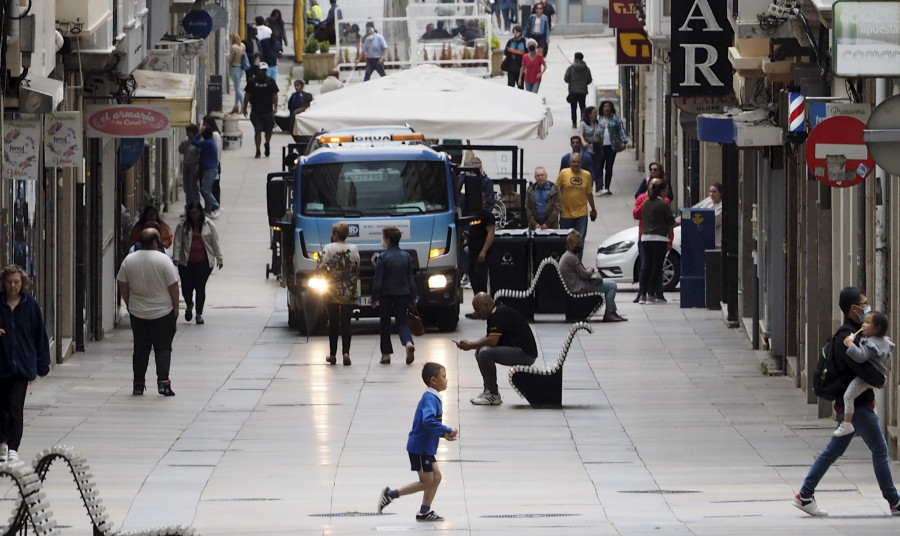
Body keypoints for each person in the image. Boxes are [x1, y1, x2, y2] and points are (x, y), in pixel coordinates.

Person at [793, 287, 900, 517]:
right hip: (857, 406)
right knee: (880, 450)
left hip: (852, 406)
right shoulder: (846, 337)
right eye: (864, 304)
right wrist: (880, 379)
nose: (867, 307)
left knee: (833, 452)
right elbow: (861, 368)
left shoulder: (856, 332)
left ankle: (805, 494)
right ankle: (894, 500)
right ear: (854, 309)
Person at [378, 362, 458, 522]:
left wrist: (443, 434)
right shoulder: (430, 399)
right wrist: (447, 429)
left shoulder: (433, 398)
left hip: (425, 448)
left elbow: (428, 425)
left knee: (437, 478)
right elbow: (428, 421)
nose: (447, 380)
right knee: (427, 482)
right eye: (444, 376)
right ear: (433, 380)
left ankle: (424, 511)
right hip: (420, 449)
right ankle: (391, 494)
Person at [117, 228, 180, 397]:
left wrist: (129, 302)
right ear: (154, 242)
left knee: (140, 349)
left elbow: (122, 282)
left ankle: (138, 384)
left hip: (138, 313)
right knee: (163, 348)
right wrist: (176, 306)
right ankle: (163, 383)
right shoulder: (164, 260)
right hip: (163, 312)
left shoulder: (129, 260)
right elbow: (173, 285)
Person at [0, 265, 50, 464]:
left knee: (15, 408)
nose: (13, 285)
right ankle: (2, 443)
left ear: (23, 284)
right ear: (4, 283)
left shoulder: (31, 305)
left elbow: (40, 335)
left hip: (21, 365)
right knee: (1, 408)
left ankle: (13, 447)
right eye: (10, 282)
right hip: (1, 363)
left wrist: (42, 362)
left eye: (17, 282)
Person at [457, 292, 538, 406]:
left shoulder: (499, 314)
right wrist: (474, 345)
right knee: (480, 351)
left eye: (478, 310)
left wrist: (470, 345)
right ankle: (488, 390)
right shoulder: (496, 310)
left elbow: (492, 341)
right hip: (518, 349)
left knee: (484, 354)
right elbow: (490, 337)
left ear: (486, 305)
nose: (477, 313)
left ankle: (493, 394)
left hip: (525, 354)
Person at [834, 311, 893, 437]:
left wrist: (850, 344)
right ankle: (873, 422)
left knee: (848, 396)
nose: (863, 325)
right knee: (872, 401)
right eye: (864, 322)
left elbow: (861, 356)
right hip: (876, 374)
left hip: (867, 377)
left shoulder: (871, 343)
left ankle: (847, 424)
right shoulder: (882, 341)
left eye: (867, 322)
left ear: (877, 328)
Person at [173, 202, 223, 325]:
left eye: (196, 213)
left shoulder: (209, 225)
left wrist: (219, 258)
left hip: (203, 262)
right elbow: (178, 242)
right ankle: (189, 304)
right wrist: (176, 257)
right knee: (186, 287)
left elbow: (214, 242)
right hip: (186, 262)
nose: (194, 215)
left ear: (200, 212)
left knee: (200, 287)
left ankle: (199, 314)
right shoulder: (182, 226)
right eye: (191, 213)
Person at [559, 230, 626, 322]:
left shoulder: (567, 256)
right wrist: (590, 269)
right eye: (576, 244)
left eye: (580, 243)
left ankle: (613, 312)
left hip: (578, 285)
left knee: (610, 284)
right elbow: (585, 275)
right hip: (581, 287)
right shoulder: (571, 258)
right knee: (612, 286)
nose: (579, 246)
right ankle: (609, 313)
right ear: (570, 244)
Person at [372, 227, 417, 365]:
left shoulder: (382, 257)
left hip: (386, 295)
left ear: (388, 240)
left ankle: (386, 354)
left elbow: (378, 280)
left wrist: (374, 298)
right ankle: (408, 342)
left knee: (385, 323)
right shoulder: (406, 256)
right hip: (403, 293)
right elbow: (410, 279)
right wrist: (414, 296)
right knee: (402, 322)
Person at [317, 222, 359, 366]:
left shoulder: (328, 248)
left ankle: (333, 354)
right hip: (349, 290)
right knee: (346, 322)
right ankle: (346, 352)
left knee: (333, 322)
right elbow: (357, 266)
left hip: (332, 290)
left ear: (335, 234)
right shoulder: (353, 248)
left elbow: (322, 267)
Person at [638, 179, 676, 304]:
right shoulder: (663, 204)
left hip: (645, 237)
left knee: (647, 267)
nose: (667, 192)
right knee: (656, 267)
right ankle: (651, 294)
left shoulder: (646, 202)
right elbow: (671, 221)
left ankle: (642, 294)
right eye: (666, 190)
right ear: (661, 191)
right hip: (659, 238)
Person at [556, 152, 596, 248]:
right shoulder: (564, 173)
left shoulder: (587, 175)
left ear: (581, 163)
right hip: (566, 213)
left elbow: (589, 193)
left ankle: (578, 262)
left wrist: (593, 209)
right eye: (573, 162)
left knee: (580, 240)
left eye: (578, 162)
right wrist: (557, 206)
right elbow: (556, 190)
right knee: (566, 240)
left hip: (581, 213)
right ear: (570, 162)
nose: (576, 164)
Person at [243, 63, 279, 159]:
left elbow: (274, 94)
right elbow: (247, 94)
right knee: (257, 130)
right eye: (262, 70)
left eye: (265, 70)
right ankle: (258, 149)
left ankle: (267, 144)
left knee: (268, 130)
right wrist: (244, 107)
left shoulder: (271, 81)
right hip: (256, 111)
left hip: (268, 111)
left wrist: (275, 107)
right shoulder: (252, 81)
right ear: (258, 70)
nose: (263, 72)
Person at [595, 100, 629, 195]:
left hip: (612, 146)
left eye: (608, 106)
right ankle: (599, 187)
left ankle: (607, 187)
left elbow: (621, 130)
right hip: (600, 146)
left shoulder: (616, 119)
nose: (607, 108)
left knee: (609, 167)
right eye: (605, 106)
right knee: (599, 166)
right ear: (602, 108)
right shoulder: (598, 119)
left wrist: (624, 141)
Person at [192, 124, 222, 219]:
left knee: (205, 189)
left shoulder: (208, 143)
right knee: (206, 189)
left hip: (210, 169)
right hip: (207, 169)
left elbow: (194, 142)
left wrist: (198, 133)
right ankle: (208, 209)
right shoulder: (209, 142)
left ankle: (217, 206)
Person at [564, 52, 592, 129]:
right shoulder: (586, 69)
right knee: (582, 106)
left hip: (573, 91)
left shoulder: (570, 68)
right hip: (583, 91)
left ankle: (574, 123)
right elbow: (589, 80)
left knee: (573, 107)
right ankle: (583, 121)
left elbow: (566, 79)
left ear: (575, 58)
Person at [178, 124, 201, 210]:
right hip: (186, 165)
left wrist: (198, 168)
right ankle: (188, 207)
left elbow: (200, 155)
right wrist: (183, 144)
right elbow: (181, 151)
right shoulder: (186, 142)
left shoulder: (198, 143)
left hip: (193, 166)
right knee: (187, 188)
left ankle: (196, 207)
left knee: (193, 188)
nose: (187, 134)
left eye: (189, 132)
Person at [695, 182, 723, 248]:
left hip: (717, 241)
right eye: (710, 192)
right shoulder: (708, 202)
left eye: (714, 192)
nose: (712, 194)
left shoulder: (721, 206)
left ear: (720, 193)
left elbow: (714, 221)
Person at [226, 33, 246, 114]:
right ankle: (235, 106)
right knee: (237, 87)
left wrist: (227, 54)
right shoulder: (242, 46)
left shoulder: (233, 47)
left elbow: (230, 59)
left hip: (235, 68)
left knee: (237, 89)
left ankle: (244, 105)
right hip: (241, 68)